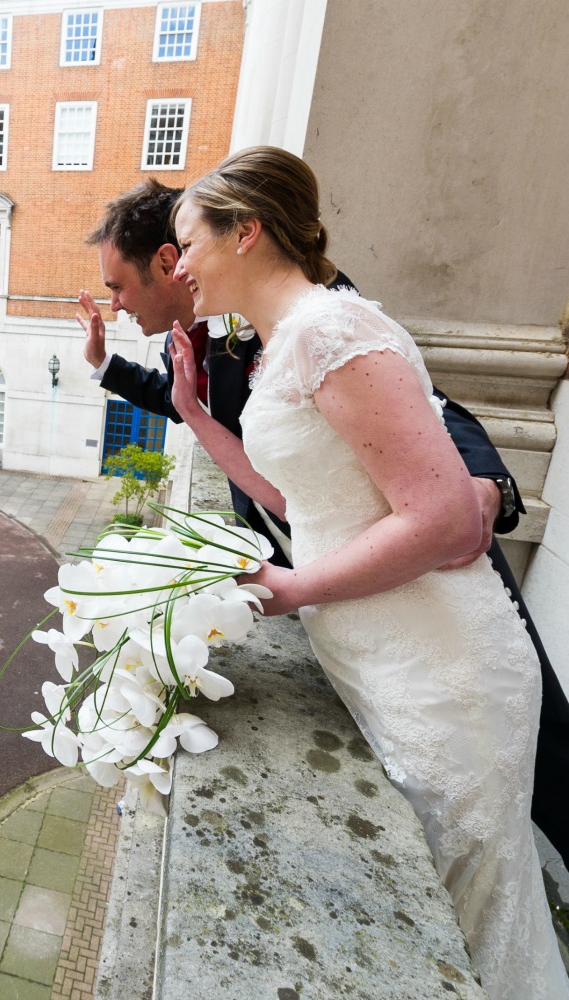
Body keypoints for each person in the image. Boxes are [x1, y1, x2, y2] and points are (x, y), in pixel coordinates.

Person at [161, 146, 565, 1000]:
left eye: (188, 242)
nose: (180, 264)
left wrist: (292, 591)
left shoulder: (331, 331)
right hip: (383, 661)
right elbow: (299, 498)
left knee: (478, 924)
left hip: (441, 669)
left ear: (247, 233)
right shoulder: (287, 342)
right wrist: (195, 412)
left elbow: (449, 516)